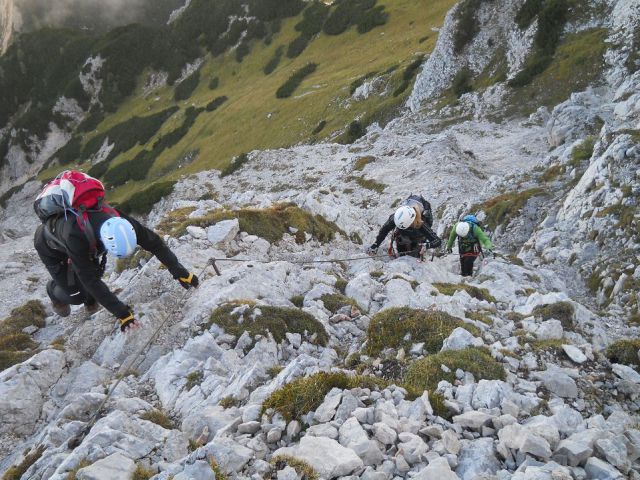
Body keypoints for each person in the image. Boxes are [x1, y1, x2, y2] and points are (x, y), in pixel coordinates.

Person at [34, 205, 199, 333]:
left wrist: (179, 271)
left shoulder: (120, 220)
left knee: (93, 275)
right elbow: (89, 280)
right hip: (51, 248)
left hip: (83, 243)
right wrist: (123, 314)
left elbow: (154, 242)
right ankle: (53, 290)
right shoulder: (76, 236)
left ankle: (90, 300)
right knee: (77, 294)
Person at [368, 194, 442, 258]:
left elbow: (437, 241)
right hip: (402, 235)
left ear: (411, 223)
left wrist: (426, 246)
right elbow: (384, 230)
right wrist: (375, 245)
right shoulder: (395, 217)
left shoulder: (421, 224)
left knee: (414, 256)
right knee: (402, 253)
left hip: (418, 236)